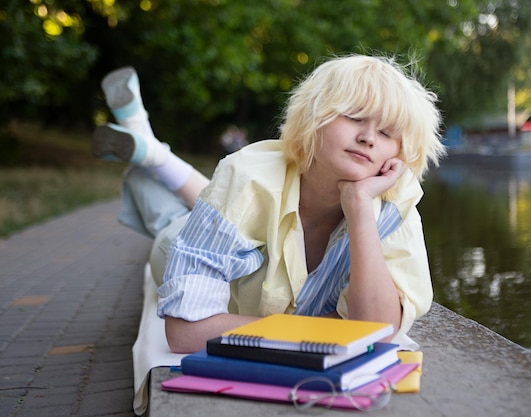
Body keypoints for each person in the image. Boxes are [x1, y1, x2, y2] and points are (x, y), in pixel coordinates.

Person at [93, 55, 446, 354]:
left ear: (398, 153)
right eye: (354, 116)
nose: (368, 137)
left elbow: (377, 332)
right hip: (175, 243)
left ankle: (151, 153)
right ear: (314, 116)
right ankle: (151, 155)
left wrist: (358, 206)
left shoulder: (393, 203)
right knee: (173, 221)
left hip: (229, 214)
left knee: (212, 199)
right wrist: (324, 330)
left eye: (386, 133)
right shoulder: (247, 175)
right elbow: (186, 333)